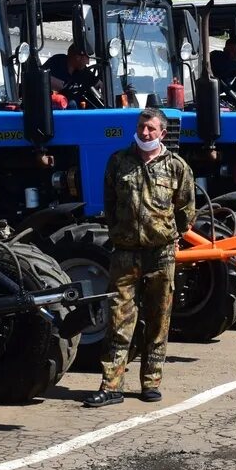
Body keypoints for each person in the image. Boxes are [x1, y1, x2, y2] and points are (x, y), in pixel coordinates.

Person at [84, 107, 196, 407]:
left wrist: (170, 236)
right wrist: (121, 234)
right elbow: (109, 205)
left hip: (160, 256)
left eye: (150, 128)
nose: (144, 132)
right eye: (141, 127)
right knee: (119, 320)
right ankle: (111, 386)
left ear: (163, 133)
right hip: (125, 256)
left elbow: (186, 211)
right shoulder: (119, 162)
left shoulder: (177, 167)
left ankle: (151, 381)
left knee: (158, 319)